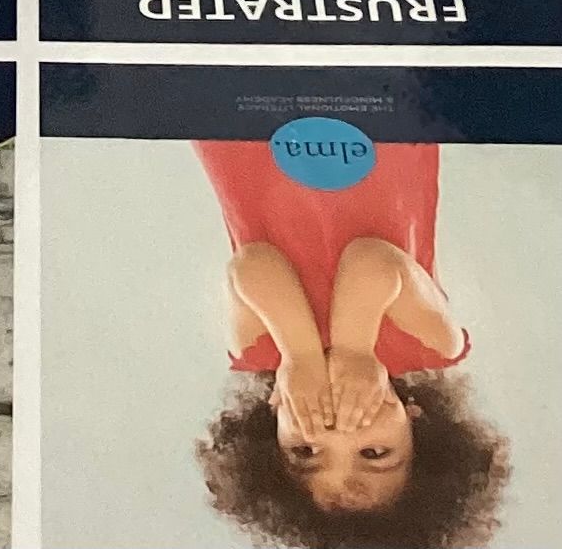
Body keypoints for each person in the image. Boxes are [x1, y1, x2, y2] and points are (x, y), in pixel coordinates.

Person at [194, 138, 508, 547]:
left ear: (272, 419)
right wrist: (353, 351)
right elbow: (371, 260)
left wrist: (301, 354)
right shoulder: (434, 347)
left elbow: (252, 263)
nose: (338, 432)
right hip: (379, 138)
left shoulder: (260, 353)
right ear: (418, 422)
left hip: (253, 145)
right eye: (374, 453)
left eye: (305, 452)